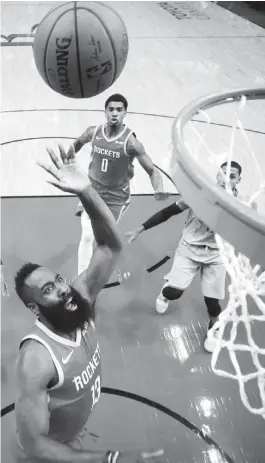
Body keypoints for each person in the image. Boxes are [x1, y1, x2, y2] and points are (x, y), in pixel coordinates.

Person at [13, 146, 161, 463]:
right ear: (36, 308)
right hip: (51, 451)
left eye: (58, 280)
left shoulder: (80, 297)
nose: (64, 289)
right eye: (49, 290)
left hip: (71, 431)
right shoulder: (36, 361)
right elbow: (35, 444)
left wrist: (87, 191)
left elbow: (110, 246)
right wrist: (109, 459)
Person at [126, 161, 254, 353]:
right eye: (223, 173)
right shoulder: (198, 194)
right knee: (174, 293)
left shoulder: (243, 204)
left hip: (217, 254)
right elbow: (169, 212)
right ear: (216, 175)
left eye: (232, 176)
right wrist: (141, 228)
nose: (226, 179)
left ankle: (213, 329)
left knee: (212, 302)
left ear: (239, 180)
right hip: (189, 249)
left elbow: (249, 231)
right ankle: (165, 293)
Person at [70, 93, 168, 275]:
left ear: (125, 113)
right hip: (92, 190)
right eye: (111, 109)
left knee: (101, 239)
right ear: (105, 112)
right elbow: (76, 144)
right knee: (86, 235)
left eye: (119, 110)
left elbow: (152, 170)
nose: (115, 113)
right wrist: (67, 159)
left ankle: (98, 267)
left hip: (116, 198)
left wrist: (158, 189)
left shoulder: (131, 143)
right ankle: (81, 277)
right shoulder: (93, 132)